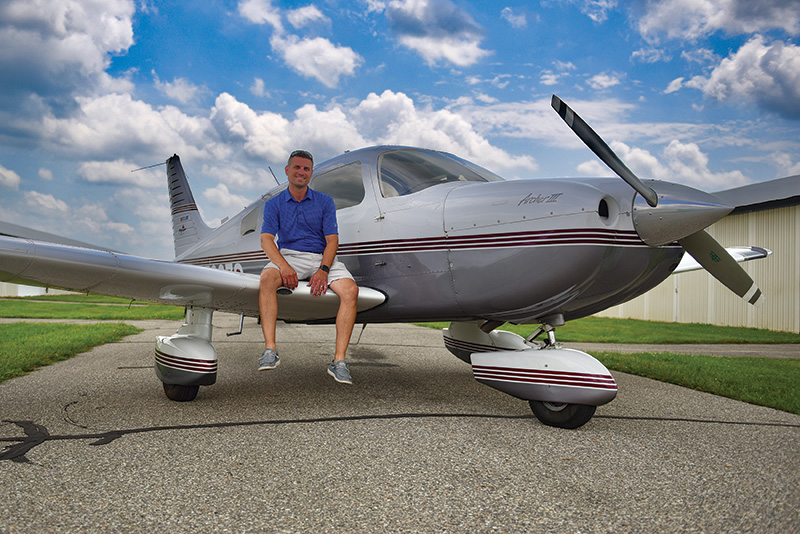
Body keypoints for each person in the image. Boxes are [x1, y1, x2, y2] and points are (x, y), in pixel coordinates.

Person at [257, 149, 359, 384]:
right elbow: (266, 240)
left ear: (311, 173)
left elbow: (332, 240)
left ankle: (339, 361)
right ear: (287, 170)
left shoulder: (325, 201)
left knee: (350, 291)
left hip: (322, 257)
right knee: (267, 280)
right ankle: (270, 350)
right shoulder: (274, 204)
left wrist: (323, 270)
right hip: (290, 256)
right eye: (297, 167)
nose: (301, 172)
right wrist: (284, 267)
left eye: (306, 169)